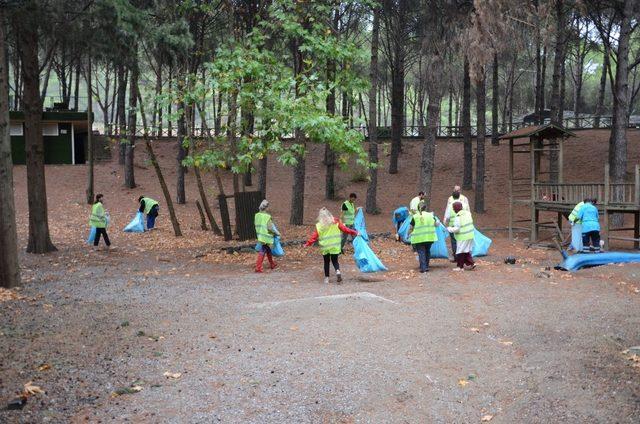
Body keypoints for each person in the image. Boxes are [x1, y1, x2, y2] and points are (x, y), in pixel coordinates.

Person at [305, 207, 358, 284]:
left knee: (326, 262)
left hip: (325, 247)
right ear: (329, 214)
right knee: (335, 261)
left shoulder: (319, 225)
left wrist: (308, 243)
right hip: (335, 246)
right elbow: (345, 229)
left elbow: (314, 236)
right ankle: (338, 271)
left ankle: (327, 278)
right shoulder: (336, 222)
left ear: (320, 216)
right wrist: (355, 232)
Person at [408, 203, 439, 273]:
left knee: (421, 252)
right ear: (425, 208)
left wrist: (408, 234)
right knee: (427, 251)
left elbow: (411, 227)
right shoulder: (431, 215)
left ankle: (423, 267)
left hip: (419, 238)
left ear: (418, 208)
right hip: (430, 237)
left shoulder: (415, 216)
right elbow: (437, 224)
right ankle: (426, 266)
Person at [447, 201, 476, 271]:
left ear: (456, 209)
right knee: (465, 250)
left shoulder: (458, 217)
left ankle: (460, 267)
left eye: (454, 208)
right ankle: (472, 263)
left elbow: (457, 229)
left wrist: (449, 229)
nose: (453, 210)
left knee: (460, 251)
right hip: (470, 235)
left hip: (463, 236)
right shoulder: (468, 213)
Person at [443, 186, 470, 261]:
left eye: (457, 190)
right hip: (458, 223)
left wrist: (445, 223)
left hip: (458, 224)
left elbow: (468, 210)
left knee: (458, 241)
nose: (456, 191)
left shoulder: (464, 199)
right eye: (455, 190)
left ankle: (458, 257)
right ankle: (458, 256)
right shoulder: (450, 199)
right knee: (456, 241)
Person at [254, 200, 280, 272]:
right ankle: (258, 267)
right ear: (266, 208)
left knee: (268, 250)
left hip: (260, 235)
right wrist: (277, 233)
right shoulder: (267, 216)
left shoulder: (257, 215)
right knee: (263, 250)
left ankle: (272, 264)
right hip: (266, 236)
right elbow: (270, 228)